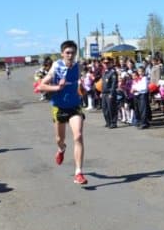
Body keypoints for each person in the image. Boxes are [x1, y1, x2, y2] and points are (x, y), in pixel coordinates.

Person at [38, 40, 88, 185]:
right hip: (59, 107)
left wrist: (82, 89)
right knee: (60, 139)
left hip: (74, 106)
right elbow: (41, 86)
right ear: (62, 54)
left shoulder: (78, 67)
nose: (70, 55)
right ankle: (61, 149)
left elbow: (80, 85)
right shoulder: (56, 67)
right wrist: (57, 88)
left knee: (78, 136)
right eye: (67, 52)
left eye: (73, 52)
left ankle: (78, 173)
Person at [100, 57, 118, 128]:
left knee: (111, 108)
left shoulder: (113, 72)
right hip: (104, 93)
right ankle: (108, 122)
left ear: (111, 63)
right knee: (105, 109)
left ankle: (113, 123)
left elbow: (114, 84)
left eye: (107, 63)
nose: (106, 64)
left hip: (110, 93)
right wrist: (101, 92)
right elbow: (103, 83)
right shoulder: (105, 72)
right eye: (104, 63)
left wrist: (111, 94)